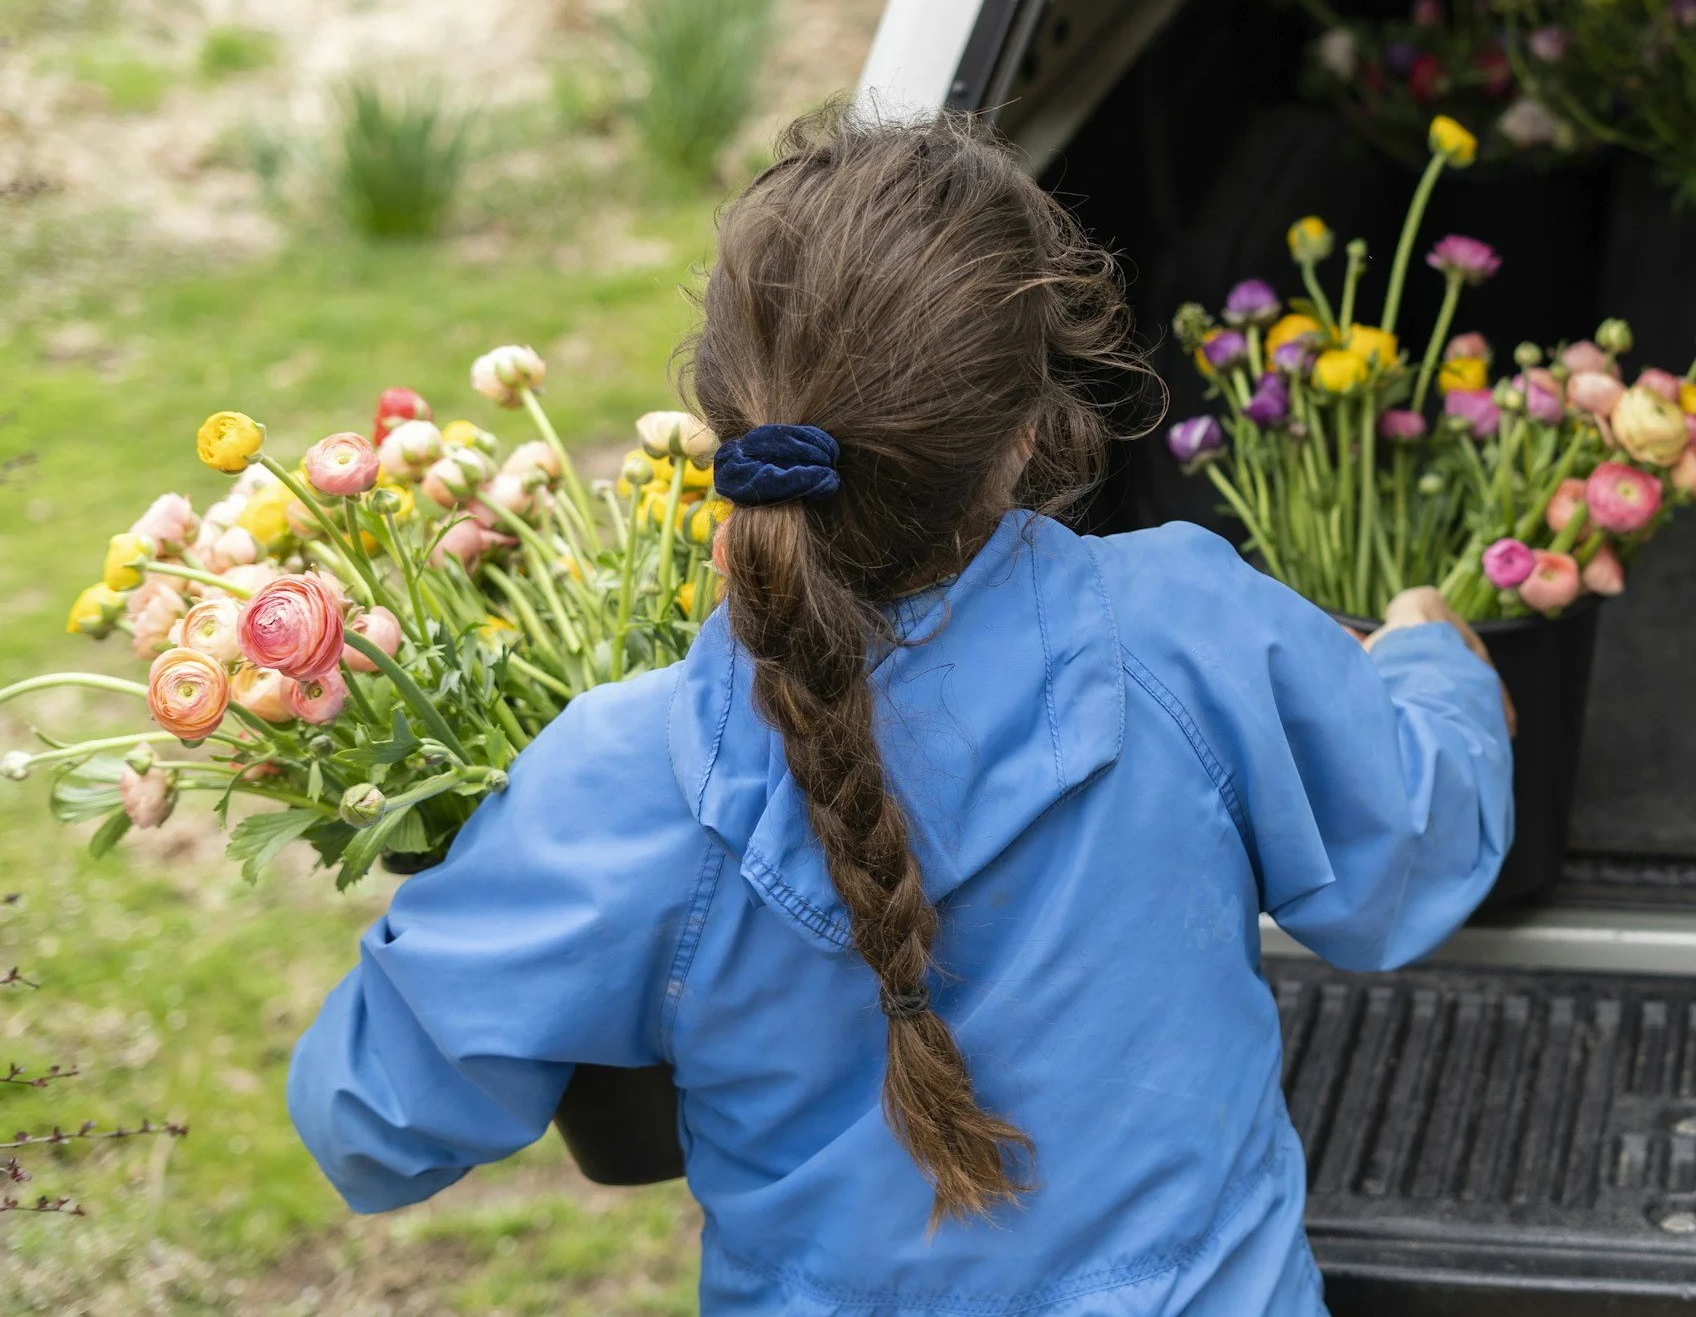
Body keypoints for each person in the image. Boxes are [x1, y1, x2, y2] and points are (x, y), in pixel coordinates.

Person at [287, 107, 1513, 1314]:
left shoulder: (624, 777)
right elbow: (1405, 859)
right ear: (1029, 427)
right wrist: (1432, 664)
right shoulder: (1189, 629)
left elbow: (370, 1121)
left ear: (730, 420)